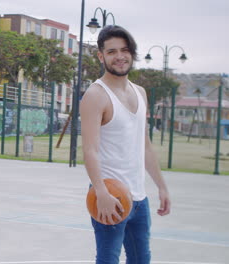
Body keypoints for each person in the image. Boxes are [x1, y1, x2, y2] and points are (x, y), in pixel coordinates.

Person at [80, 25, 171, 264]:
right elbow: (89, 150)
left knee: (141, 260)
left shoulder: (140, 92)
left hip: (139, 199)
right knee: (108, 259)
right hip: (109, 195)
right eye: (111, 52)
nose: (119, 56)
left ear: (132, 52)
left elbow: (145, 146)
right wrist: (100, 192)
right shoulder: (95, 95)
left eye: (124, 50)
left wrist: (161, 186)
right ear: (101, 56)